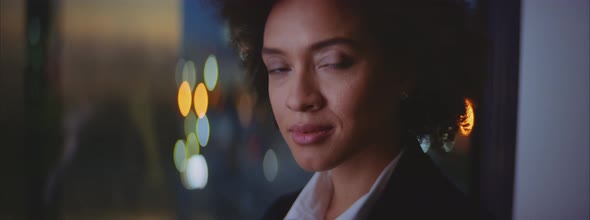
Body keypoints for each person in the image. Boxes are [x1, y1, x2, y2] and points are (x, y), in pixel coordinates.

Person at [219, 0, 489, 219]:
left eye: (333, 63)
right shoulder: (279, 213)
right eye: (279, 68)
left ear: (402, 70)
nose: (299, 98)